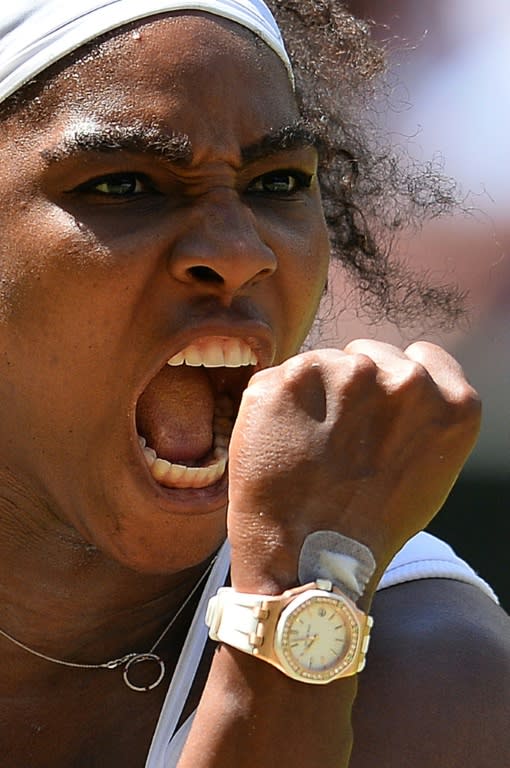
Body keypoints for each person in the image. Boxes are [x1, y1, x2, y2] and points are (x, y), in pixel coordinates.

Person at [0, 2, 508, 766]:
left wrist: (306, 598)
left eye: (276, 182)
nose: (241, 252)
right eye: (126, 185)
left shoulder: (431, 666)